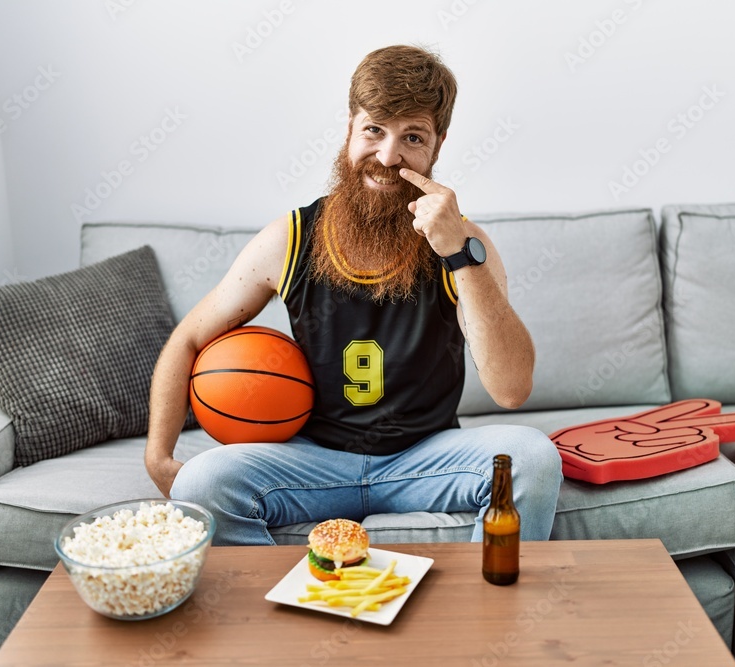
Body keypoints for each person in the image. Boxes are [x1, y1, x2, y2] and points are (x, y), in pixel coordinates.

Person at [145, 44, 562, 546]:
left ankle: (487, 617)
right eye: (374, 130)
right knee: (201, 481)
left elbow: (512, 390)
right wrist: (158, 455)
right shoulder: (291, 237)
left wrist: (458, 255)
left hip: (426, 458)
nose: (388, 157)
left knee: (534, 458)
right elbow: (189, 339)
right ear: (349, 128)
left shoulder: (464, 244)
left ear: (438, 146)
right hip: (313, 461)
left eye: (412, 137)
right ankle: (282, 610)